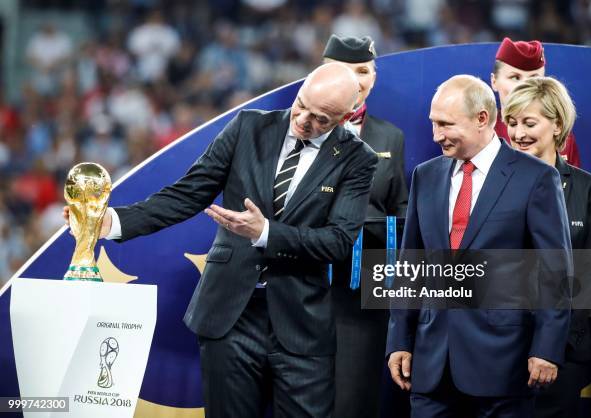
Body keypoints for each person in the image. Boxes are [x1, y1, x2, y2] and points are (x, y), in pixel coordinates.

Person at [64, 63, 378, 418]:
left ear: (347, 116)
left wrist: (265, 233)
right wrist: (111, 221)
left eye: (321, 118)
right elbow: (187, 194)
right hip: (230, 317)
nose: (303, 120)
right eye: (301, 104)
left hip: (301, 325)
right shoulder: (248, 126)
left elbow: (338, 241)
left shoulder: (358, 159)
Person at [386, 75, 572, 418]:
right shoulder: (425, 176)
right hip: (431, 365)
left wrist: (547, 347)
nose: (436, 135)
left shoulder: (536, 178)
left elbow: (555, 270)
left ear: (482, 119)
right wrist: (399, 339)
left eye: (446, 124)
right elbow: (410, 264)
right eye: (433, 123)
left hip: (504, 364)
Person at [503, 76, 591, 418]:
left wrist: (550, 346)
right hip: (499, 346)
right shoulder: (492, 185)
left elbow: (589, 276)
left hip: (562, 351)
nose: (519, 134)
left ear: (558, 123)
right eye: (513, 123)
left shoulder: (587, 187)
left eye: (529, 123)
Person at [321, 34, 409, 418]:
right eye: (345, 70)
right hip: (310, 285)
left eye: (364, 71)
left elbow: (400, 210)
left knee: (356, 400)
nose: (357, 80)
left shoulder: (390, 136)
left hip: (364, 292)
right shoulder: (302, 129)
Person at [490, 37, 581, 167]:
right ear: (494, 81)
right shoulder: (483, 133)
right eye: (515, 77)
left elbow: (575, 183)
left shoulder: (559, 133)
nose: (525, 85)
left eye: (534, 79)